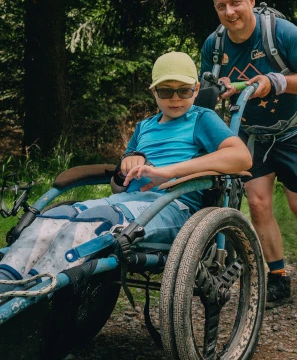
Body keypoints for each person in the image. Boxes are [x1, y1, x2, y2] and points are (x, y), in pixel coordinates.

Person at [0, 52, 252, 294]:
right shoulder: (144, 127)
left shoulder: (201, 119)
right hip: (124, 203)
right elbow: (118, 187)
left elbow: (241, 157)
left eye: (184, 90)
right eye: (166, 91)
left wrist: (168, 172)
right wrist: (127, 167)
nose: (175, 98)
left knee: (94, 223)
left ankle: (36, 296)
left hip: (174, 206)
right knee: (54, 217)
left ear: (196, 89)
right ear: (153, 91)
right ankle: (6, 283)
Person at [200, 0, 297, 310]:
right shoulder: (214, 45)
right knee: (259, 205)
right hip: (251, 134)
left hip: (292, 130)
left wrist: (275, 81)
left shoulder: (281, 32)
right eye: (221, 6)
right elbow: (205, 92)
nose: (229, 11)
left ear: (250, 0)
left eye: (235, 2)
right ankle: (278, 277)